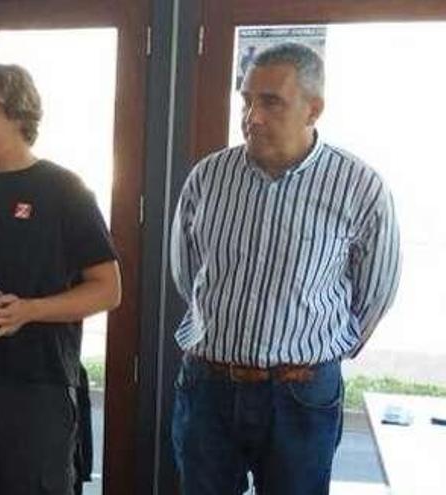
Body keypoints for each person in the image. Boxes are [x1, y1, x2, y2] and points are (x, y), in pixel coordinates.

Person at [170, 42, 401, 495]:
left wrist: (314, 344)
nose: (252, 116)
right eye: (247, 100)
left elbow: (376, 291)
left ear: (313, 109)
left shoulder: (359, 187)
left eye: (271, 102)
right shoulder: (209, 177)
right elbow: (188, 273)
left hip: (301, 394)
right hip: (209, 387)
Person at [0, 63, 122, 495]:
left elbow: (108, 288)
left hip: (37, 387)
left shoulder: (64, 190)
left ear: (20, 113)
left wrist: (30, 311)